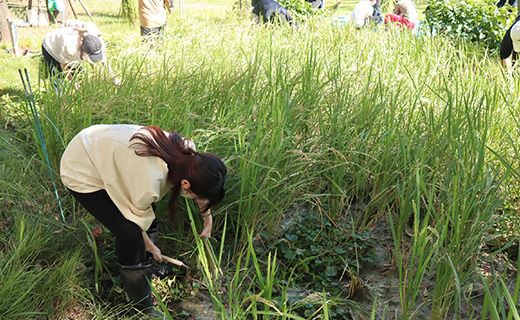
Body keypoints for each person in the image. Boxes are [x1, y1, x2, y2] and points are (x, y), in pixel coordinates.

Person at [60, 124, 227, 318]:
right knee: (129, 233)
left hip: (101, 150)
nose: (196, 198)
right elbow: (135, 217)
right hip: (81, 167)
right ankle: (142, 306)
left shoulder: (192, 158)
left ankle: (144, 263)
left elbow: (199, 190)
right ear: (186, 184)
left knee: (146, 220)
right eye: (195, 194)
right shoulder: (150, 179)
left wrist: (207, 218)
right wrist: (147, 244)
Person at [41, 26, 120, 84]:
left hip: (69, 49)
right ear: (84, 50)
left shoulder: (95, 42)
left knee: (81, 76)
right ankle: (60, 99)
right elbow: (64, 66)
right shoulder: (70, 49)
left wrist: (114, 78)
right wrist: (73, 83)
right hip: (51, 47)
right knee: (58, 77)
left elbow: (104, 60)